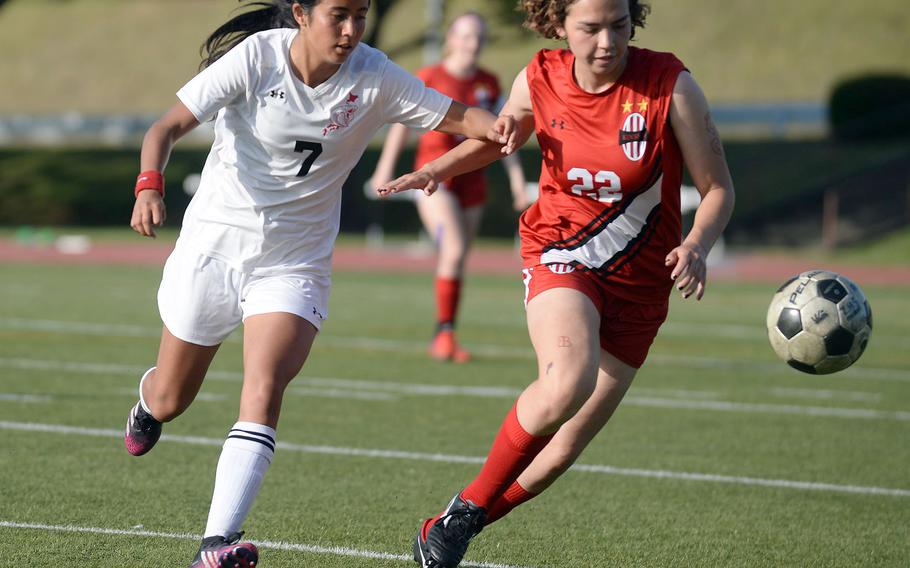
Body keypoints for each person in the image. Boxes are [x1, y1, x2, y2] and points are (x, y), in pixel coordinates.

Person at [123, 1, 516, 567]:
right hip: (214, 246)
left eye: (362, 14)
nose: (353, 30)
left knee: (264, 386)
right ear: (301, 14)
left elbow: (471, 121)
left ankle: (215, 544)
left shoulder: (376, 74)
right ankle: (147, 404)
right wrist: (148, 185)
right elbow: (167, 127)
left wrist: (497, 128)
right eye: (340, 15)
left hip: (295, 261)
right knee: (171, 399)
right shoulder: (256, 58)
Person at [377, 0, 736, 566]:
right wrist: (437, 170)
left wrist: (696, 244)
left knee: (564, 448)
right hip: (560, 250)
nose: (606, 43)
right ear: (559, 25)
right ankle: (458, 520)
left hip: (642, 285)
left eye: (618, 26)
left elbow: (718, 188)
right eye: (590, 29)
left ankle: (452, 523)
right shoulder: (538, 77)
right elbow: (500, 141)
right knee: (566, 380)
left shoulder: (670, 84)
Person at [370, 12, 528, 363]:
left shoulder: (488, 82)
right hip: (435, 179)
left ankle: (446, 332)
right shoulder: (431, 76)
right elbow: (401, 126)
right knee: (454, 250)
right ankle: (443, 336)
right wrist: (384, 167)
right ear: (451, 40)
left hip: (473, 179)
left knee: (457, 258)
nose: (473, 43)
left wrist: (517, 180)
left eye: (479, 36)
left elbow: (504, 133)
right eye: (466, 35)